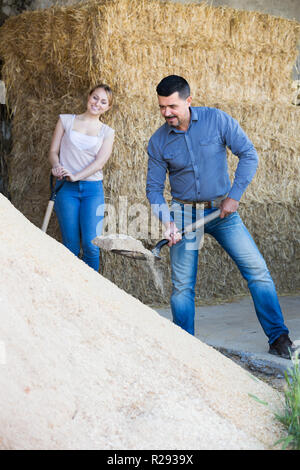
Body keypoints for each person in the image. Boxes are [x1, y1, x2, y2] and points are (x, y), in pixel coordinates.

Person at [146, 74, 296, 359]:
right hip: (184, 213)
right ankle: (185, 347)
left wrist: (234, 196)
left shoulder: (217, 120)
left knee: (257, 271)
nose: (167, 113)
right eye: (162, 107)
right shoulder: (158, 141)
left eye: (173, 106)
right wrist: (169, 222)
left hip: (222, 212)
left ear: (188, 101)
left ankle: (279, 339)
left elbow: (249, 154)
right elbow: (153, 189)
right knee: (182, 288)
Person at [49, 84, 114, 271]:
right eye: (95, 98)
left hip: (92, 190)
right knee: (71, 246)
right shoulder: (65, 121)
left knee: (91, 245)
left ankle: (91, 294)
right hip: (65, 189)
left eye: (103, 102)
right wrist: (56, 166)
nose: (97, 103)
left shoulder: (107, 132)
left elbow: (99, 163)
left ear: (108, 107)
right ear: (88, 97)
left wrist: (76, 176)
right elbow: (53, 151)